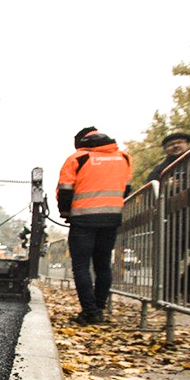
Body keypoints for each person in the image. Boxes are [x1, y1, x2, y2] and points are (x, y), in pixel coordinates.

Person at [57, 127, 133, 325]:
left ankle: (90, 312)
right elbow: (127, 188)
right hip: (110, 218)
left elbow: (65, 189)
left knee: (81, 265)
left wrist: (65, 213)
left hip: (82, 219)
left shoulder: (78, 158)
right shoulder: (124, 157)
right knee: (103, 264)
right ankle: (99, 309)